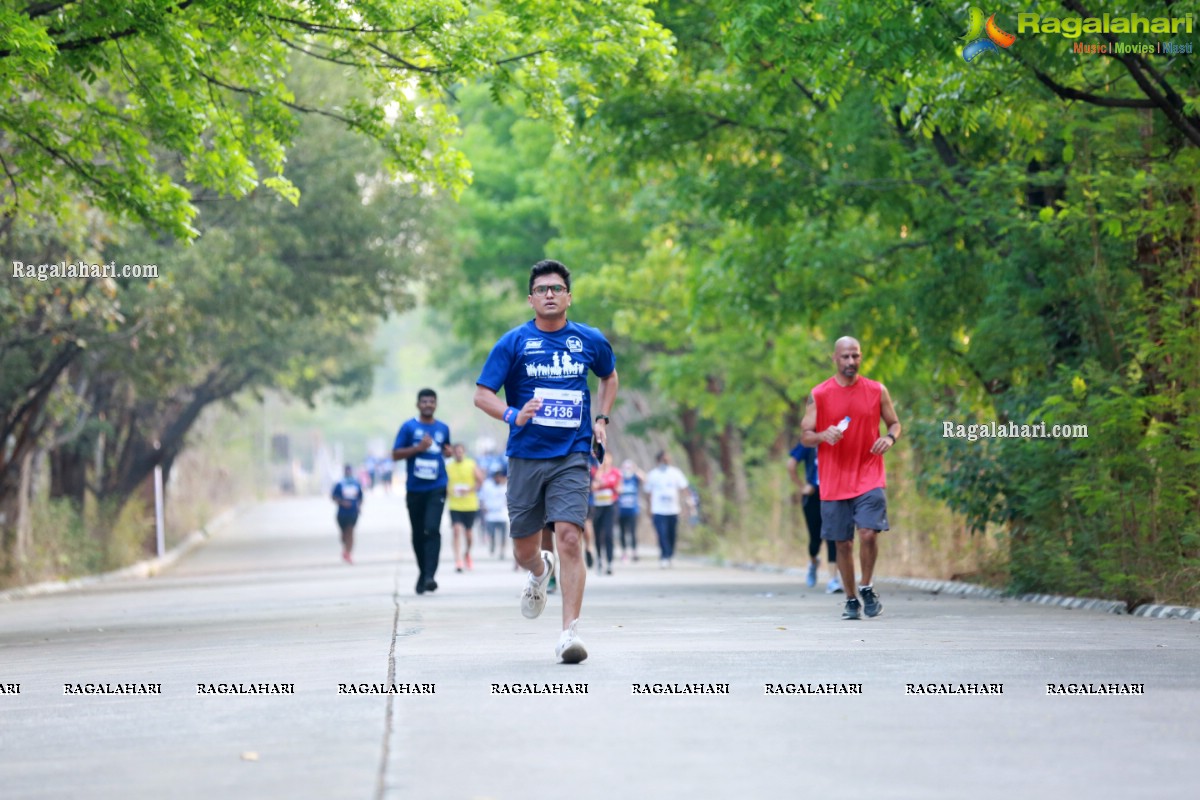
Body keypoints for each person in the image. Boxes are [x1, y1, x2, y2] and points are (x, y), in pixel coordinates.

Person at [474, 259, 618, 663]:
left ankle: (568, 633)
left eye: (557, 288)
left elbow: (609, 375)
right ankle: (539, 571)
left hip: (573, 452)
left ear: (569, 296)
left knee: (571, 536)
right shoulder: (514, 342)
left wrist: (601, 419)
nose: (550, 294)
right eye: (542, 289)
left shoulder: (588, 340)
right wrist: (511, 414)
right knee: (523, 549)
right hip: (525, 455)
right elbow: (483, 393)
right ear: (531, 299)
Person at [799, 336, 902, 620]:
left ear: (861, 357)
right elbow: (805, 436)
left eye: (855, 356)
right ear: (834, 358)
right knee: (842, 543)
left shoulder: (876, 390)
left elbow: (894, 422)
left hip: (869, 473)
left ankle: (867, 587)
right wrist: (822, 435)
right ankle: (850, 599)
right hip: (834, 480)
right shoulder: (819, 394)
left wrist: (889, 439)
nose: (850, 362)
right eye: (844, 357)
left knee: (868, 533)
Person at [392, 388, 453, 595]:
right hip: (415, 488)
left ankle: (429, 577)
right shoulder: (409, 427)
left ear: (436, 404)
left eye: (432, 401)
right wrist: (417, 448)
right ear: (418, 404)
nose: (428, 405)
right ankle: (423, 573)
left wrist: (449, 452)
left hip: (437, 486)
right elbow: (395, 454)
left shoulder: (443, 428)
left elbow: (446, 449)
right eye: (424, 401)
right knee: (418, 533)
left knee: (432, 528)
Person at [787, 443, 841, 593]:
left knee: (833, 536)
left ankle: (833, 579)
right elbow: (791, 464)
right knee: (815, 540)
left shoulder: (837, 439)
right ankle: (813, 561)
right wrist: (802, 486)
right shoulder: (809, 442)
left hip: (833, 493)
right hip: (813, 496)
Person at [644, 450, 691, 568]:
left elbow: (684, 488)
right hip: (658, 510)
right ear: (658, 461)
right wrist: (648, 508)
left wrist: (689, 503)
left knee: (671, 534)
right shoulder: (653, 475)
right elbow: (648, 493)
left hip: (673, 510)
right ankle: (664, 556)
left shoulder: (675, 473)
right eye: (663, 460)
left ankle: (670, 554)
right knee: (662, 534)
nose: (665, 462)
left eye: (667, 460)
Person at [446, 443, 484, 572]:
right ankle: (458, 561)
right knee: (456, 531)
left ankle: (467, 553)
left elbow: (480, 480)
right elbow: (443, 482)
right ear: (453, 453)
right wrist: (448, 491)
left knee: (468, 534)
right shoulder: (449, 466)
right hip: (454, 504)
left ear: (464, 452)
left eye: (460, 452)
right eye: (456, 452)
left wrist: (469, 490)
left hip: (470, 504)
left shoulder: (471, 464)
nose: (458, 454)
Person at [590, 453, 621, 575]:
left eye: (607, 459)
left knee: (608, 534)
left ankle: (609, 561)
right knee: (597, 534)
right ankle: (599, 558)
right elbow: (593, 486)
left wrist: (609, 486)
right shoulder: (594, 471)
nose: (605, 461)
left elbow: (619, 488)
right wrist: (600, 472)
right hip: (597, 506)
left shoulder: (615, 473)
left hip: (610, 506)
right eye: (603, 459)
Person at [331, 464, 365, 564]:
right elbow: (334, 496)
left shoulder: (356, 483)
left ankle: (348, 553)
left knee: (350, 531)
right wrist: (342, 502)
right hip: (342, 513)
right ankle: (345, 547)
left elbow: (360, 497)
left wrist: (359, 506)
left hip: (353, 512)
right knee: (344, 535)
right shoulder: (340, 484)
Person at [479, 467, 510, 560]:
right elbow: (482, 498)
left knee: (503, 535)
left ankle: (502, 551)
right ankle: (492, 545)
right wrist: (483, 507)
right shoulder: (487, 486)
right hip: (491, 515)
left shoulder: (505, 487)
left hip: (502, 514)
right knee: (491, 534)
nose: (498, 478)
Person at [617, 458, 645, 562]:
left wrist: (635, 469)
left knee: (633, 532)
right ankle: (624, 553)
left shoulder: (634, 478)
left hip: (633, 510)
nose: (627, 469)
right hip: (621, 510)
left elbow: (644, 478)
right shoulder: (620, 478)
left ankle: (634, 552)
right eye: (626, 467)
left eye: (629, 467)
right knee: (623, 532)